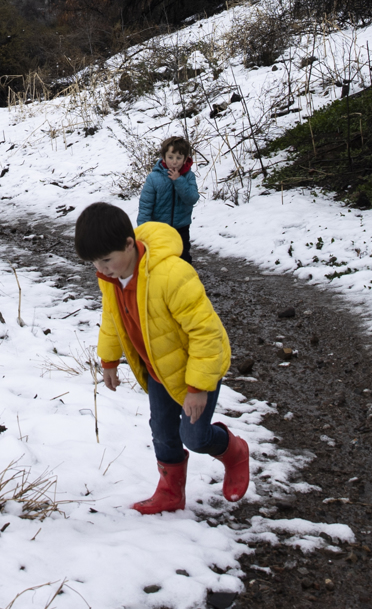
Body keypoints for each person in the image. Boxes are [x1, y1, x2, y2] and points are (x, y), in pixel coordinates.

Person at [75, 201, 249, 514]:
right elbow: (113, 316)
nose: (101, 269)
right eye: (94, 263)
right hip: (157, 368)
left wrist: (197, 388)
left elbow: (205, 333)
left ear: (129, 244)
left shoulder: (172, 275)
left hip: (198, 367)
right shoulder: (111, 278)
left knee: (194, 436)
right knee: (163, 432)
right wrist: (110, 361)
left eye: (106, 260)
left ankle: (233, 451)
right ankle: (170, 492)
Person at [137, 135, 200, 263]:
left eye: (179, 158)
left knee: (182, 256)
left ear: (185, 159)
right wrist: (143, 229)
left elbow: (192, 198)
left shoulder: (188, 176)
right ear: (164, 157)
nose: (174, 161)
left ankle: (183, 279)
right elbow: (146, 205)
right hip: (159, 227)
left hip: (181, 226)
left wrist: (179, 180)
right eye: (170, 157)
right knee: (160, 257)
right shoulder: (154, 178)